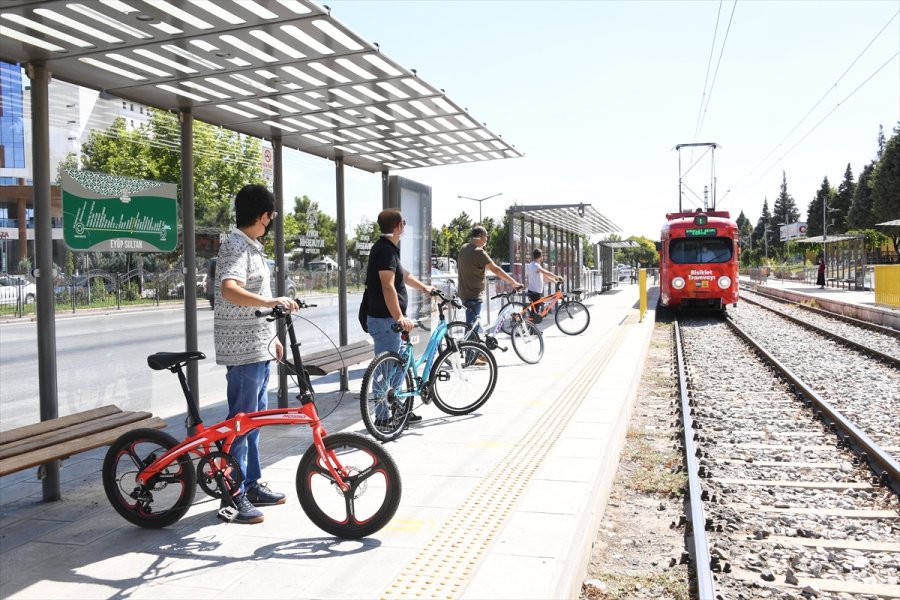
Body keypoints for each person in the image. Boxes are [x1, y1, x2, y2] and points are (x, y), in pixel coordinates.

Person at [214, 184, 299, 525]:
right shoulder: (235, 245)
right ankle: (232, 496)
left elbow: (256, 292)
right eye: (272, 217)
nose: (271, 222)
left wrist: (270, 337)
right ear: (263, 216)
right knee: (241, 421)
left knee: (255, 419)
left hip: (256, 344)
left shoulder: (251, 246)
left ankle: (251, 483)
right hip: (241, 350)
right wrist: (270, 302)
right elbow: (229, 287)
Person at [365, 208, 435, 423]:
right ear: (398, 226)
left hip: (388, 319)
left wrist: (425, 288)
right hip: (386, 320)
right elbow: (388, 287)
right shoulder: (385, 251)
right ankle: (382, 417)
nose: (404, 226)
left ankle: (398, 408)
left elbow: (404, 276)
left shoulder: (389, 249)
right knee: (385, 370)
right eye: (403, 222)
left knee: (398, 364)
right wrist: (399, 317)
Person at [457, 225, 523, 333]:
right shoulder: (479, 252)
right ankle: (469, 348)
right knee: (473, 327)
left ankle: (471, 346)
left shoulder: (464, 247)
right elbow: (496, 270)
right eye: (486, 237)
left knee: (471, 323)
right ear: (482, 236)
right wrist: (514, 282)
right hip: (473, 295)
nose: (486, 240)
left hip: (463, 293)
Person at [525, 248, 562, 318]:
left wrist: (554, 281)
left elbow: (543, 276)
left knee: (535, 311)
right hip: (535, 292)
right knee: (535, 313)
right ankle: (531, 327)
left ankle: (531, 327)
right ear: (540, 257)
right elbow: (545, 272)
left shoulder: (532, 265)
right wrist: (556, 276)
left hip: (534, 290)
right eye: (542, 256)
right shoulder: (536, 265)